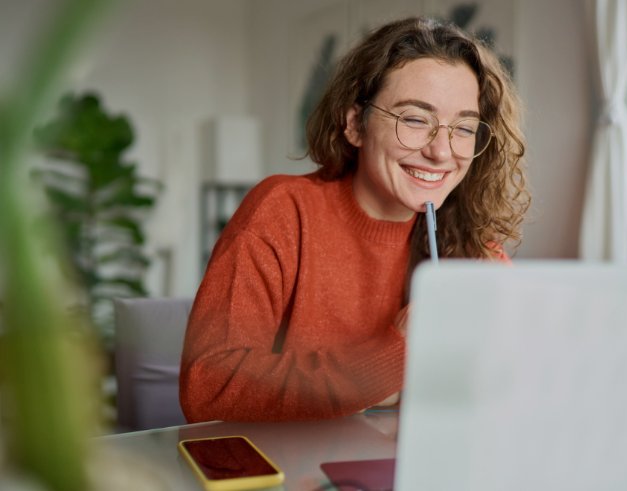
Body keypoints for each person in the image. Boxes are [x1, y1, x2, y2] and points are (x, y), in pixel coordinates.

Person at [179, 16, 530, 422]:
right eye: (415, 119)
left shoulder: (470, 243)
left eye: (464, 128)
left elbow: (509, 386)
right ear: (354, 124)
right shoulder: (282, 211)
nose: (441, 151)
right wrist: (396, 354)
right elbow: (208, 387)